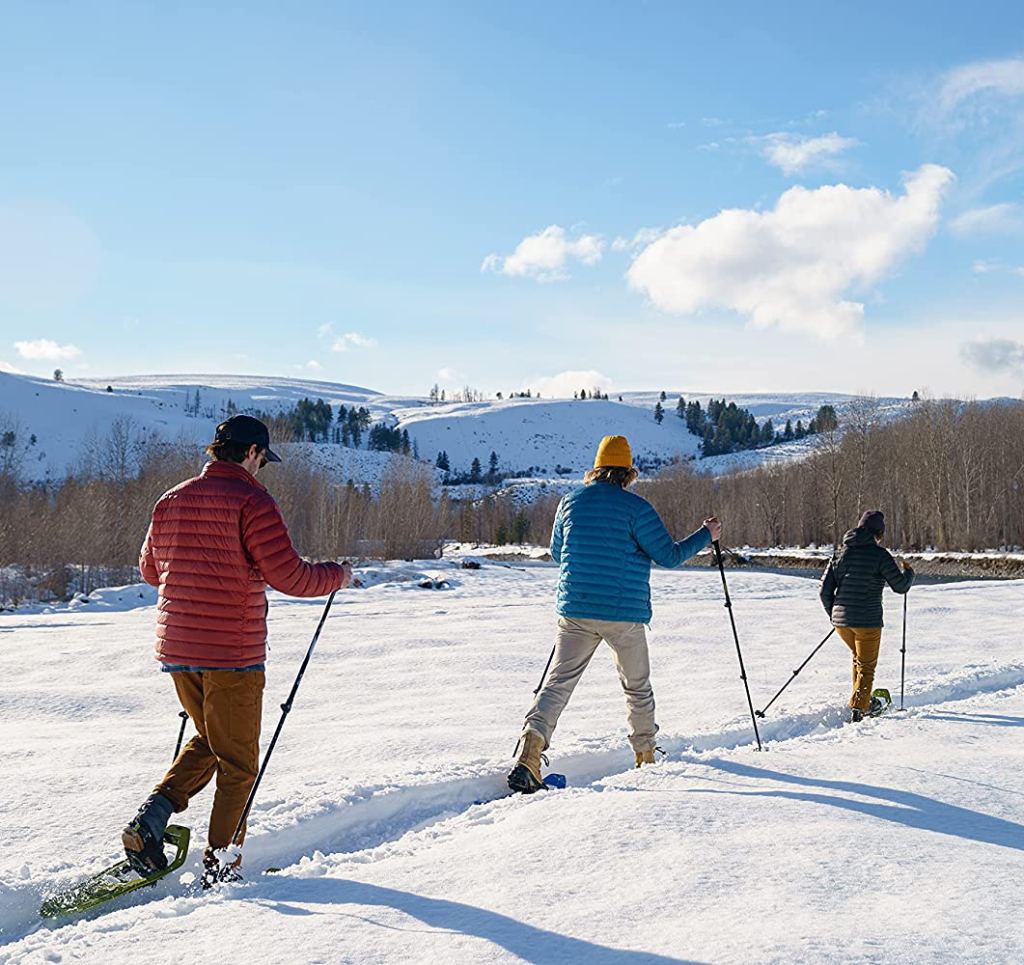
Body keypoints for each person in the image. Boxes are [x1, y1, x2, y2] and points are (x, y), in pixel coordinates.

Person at [124, 415, 351, 883]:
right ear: (251, 452)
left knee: (213, 739)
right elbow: (289, 576)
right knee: (240, 764)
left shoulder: (170, 499)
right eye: (263, 458)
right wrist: (338, 575)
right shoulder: (253, 500)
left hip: (177, 649)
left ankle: (152, 818)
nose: (262, 467)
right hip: (231, 654)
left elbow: (151, 571)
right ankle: (221, 869)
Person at [507, 435, 722, 793]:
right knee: (636, 687)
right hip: (623, 613)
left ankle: (530, 754)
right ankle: (645, 758)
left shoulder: (569, 503)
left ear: (596, 469)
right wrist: (706, 534)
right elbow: (669, 555)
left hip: (576, 609)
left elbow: (558, 554)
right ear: (628, 473)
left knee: (557, 684)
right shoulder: (637, 509)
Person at [820, 510, 914, 722]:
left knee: (859, 659)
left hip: (842, 624)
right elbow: (900, 587)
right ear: (879, 532)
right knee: (867, 666)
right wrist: (909, 573)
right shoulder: (880, 555)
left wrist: (835, 617)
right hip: (868, 621)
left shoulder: (840, 553)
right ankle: (860, 709)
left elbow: (824, 592)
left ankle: (860, 699)